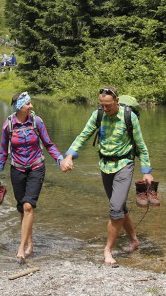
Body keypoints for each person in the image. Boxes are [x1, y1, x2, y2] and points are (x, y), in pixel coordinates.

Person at [60, 86, 155, 266]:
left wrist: (146, 172)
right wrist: (70, 155)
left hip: (124, 165)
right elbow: (83, 135)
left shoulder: (130, 118)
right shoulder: (98, 115)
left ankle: (108, 250)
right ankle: (134, 240)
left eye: (109, 105)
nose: (105, 109)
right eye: (102, 105)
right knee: (119, 207)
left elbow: (141, 146)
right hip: (105, 166)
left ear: (117, 102)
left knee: (115, 208)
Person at [0, 92, 65, 262]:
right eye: (28, 104)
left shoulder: (37, 122)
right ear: (19, 107)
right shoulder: (8, 125)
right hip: (17, 170)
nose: (31, 106)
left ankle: (21, 248)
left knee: (29, 206)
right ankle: (30, 243)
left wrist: (59, 160)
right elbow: (3, 151)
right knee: (23, 208)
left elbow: (48, 144)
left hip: (36, 167)